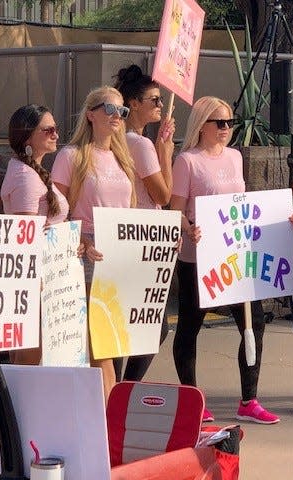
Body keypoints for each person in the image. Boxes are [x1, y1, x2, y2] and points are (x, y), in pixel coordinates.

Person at [170, 96, 279, 425]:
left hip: (234, 256)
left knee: (253, 322)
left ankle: (249, 398)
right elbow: (175, 209)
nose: (226, 128)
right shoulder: (187, 161)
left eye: (231, 122)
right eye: (219, 122)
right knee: (190, 326)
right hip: (198, 258)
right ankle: (191, 396)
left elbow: (242, 205)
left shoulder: (234, 157)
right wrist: (189, 229)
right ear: (201, 125)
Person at [51, 86, 136, 402]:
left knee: (109, 342)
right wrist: (80, 242)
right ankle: (103, 415)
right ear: (90, 114)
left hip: (119, 254)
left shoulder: (122, 158)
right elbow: (54, 210)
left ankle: (107, 414)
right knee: (96, 341)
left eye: (122, 111)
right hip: (86, 254)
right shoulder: (71, 156)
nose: (117, 116)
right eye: (110, 109)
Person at [112, 63, 175, 381]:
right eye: (154, 100)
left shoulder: (121, 138)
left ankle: (117, 389)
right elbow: (163, 194)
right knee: (151, 326)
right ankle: (125, 388)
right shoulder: (140, 143)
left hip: (130, 238)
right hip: (142, 243)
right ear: (133, 103)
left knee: (124, 325)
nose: (160, 106)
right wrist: (165, 151)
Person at [1, 104, 70, 365]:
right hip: (36, 277)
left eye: (56, 129)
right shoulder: (25, 178)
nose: (55, 135)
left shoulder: (32, 172)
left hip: (46, 272)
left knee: (29, 352)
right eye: (48, 130)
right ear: (27, 136)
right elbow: (25, 238)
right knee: (31, 354)